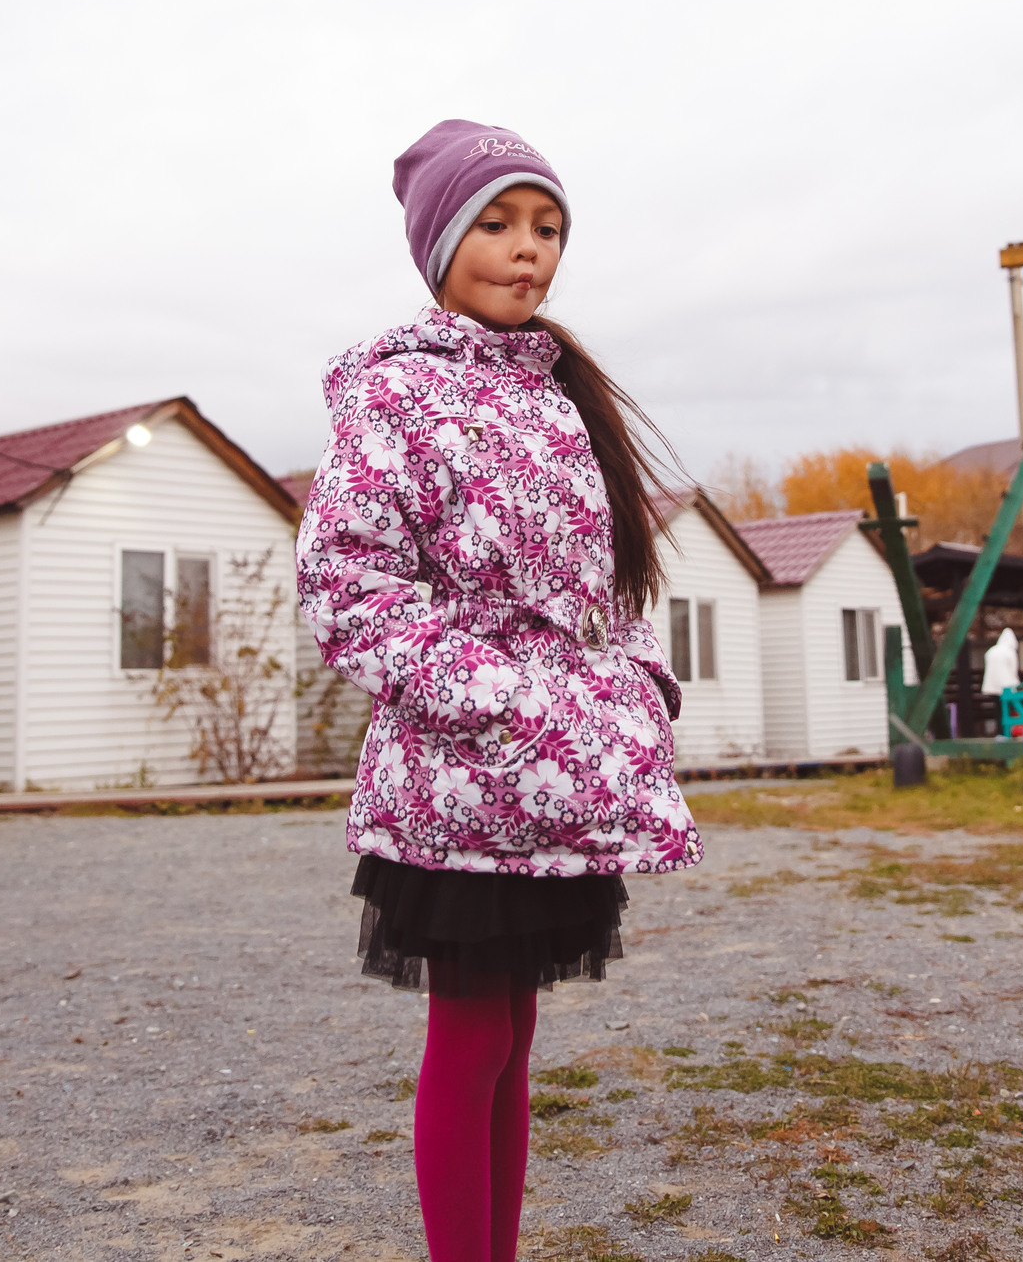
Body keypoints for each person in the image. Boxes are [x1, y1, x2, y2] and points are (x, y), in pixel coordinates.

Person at [297, 119, 700, 1262]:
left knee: (515, 1042)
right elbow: (348, 591)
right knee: (467, 1039)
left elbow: (598, 576)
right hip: (458, 777)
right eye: (497, 222)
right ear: (437, 243)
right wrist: (504, 703)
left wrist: (637, 682)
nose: (527, 250)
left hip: (556, 768)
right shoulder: (394, 397)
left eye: (548, 226)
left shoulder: (559, 396)